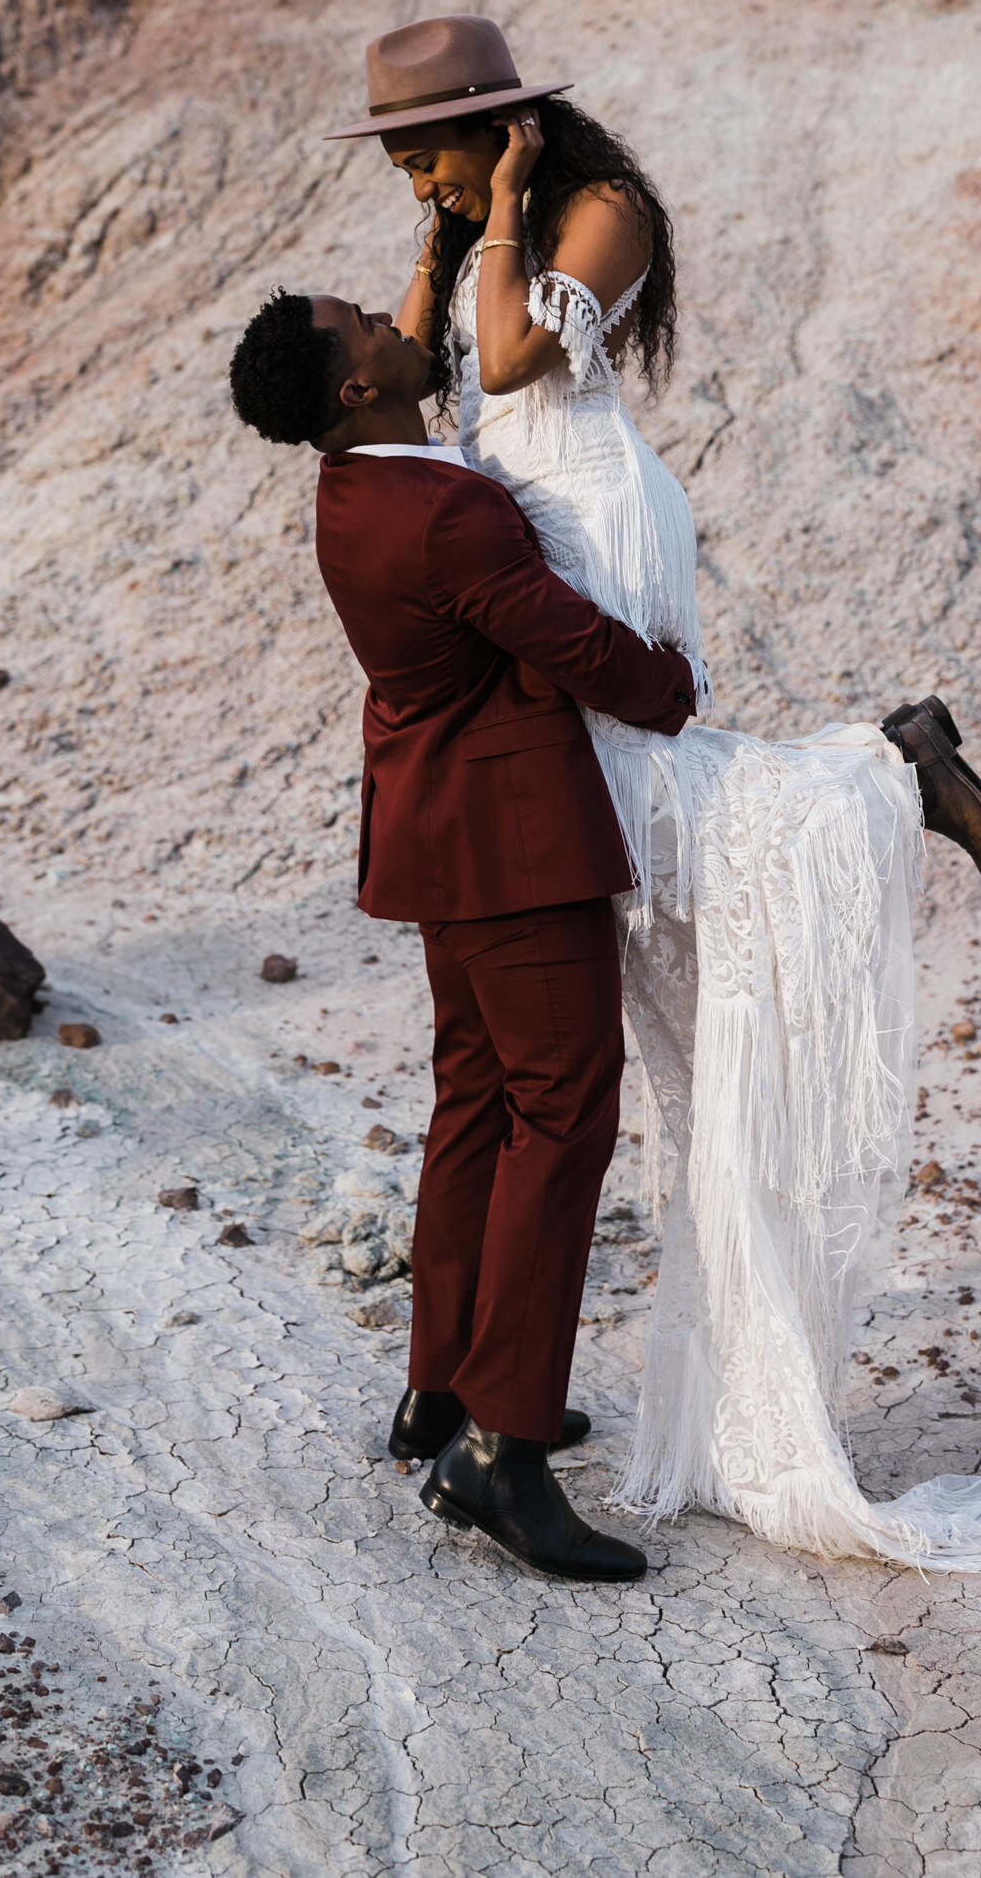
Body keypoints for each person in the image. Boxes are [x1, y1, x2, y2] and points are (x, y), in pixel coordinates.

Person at [322, 13, 981, 1573]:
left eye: (432, 145)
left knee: (657, 815)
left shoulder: (598, 214)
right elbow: (418, 359)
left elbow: (525, 357)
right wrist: (442, 220)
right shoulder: (466, 234)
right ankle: (466, 1396)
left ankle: (890, 774)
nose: (418, 175)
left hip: (586, 528)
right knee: (639, 850)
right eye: (398, 152)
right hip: (510, 534)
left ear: (512, 123)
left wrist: (518, 203)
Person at [229, 286, 698, 1583]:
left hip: (437, 833)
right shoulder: (447, 510)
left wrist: (470, 216)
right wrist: (673, 689)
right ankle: (501, 1449)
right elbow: (563, 637)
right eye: (363, 324)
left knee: (478, 1105)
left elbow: (421, 339)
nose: (394, 319)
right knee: (564, 1115)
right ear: (350, 389)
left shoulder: (360, 489)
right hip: (513, 843)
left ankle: (440, 1387)